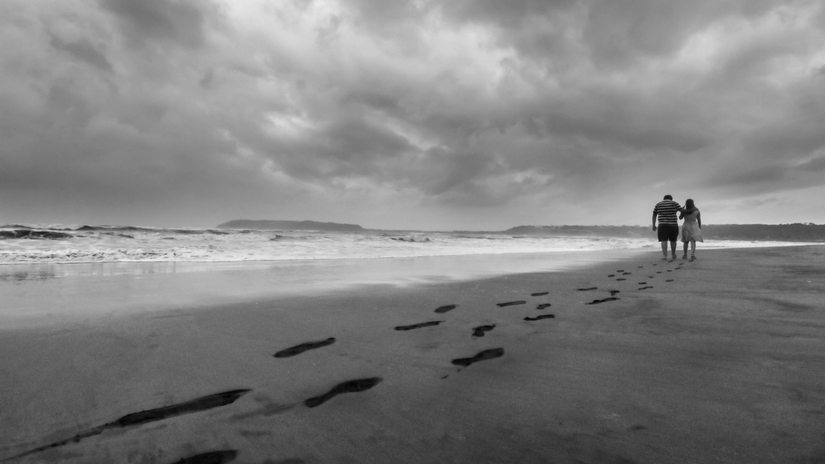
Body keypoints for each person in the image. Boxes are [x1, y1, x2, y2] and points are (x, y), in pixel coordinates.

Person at [652, 195, 683, 261]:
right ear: (671, 199)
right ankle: (673, 254)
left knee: (664, 240)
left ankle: (664, 255)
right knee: (673, 240)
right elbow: (682, 211)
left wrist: (653, 225)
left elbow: (654, 214)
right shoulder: (675, 203)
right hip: (673, 224)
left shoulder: (658, 204)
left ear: (664, 199)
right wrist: (681, 214)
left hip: (662, 225)